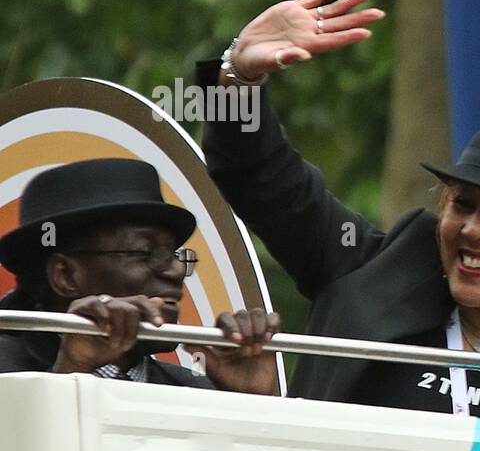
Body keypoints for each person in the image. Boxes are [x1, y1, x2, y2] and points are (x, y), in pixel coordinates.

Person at [194, 0, 480, 430]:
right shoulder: (367, 272)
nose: (472, 229)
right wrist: (237, 78)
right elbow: (262, 180)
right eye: (463, 204)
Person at [0, 157, 279, 393]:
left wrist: (251, 403)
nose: (178, 270)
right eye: (148, 253)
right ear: (67, 276)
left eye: (174, 254)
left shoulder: (193, 390)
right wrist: (74, 370)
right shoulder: (8, 371)